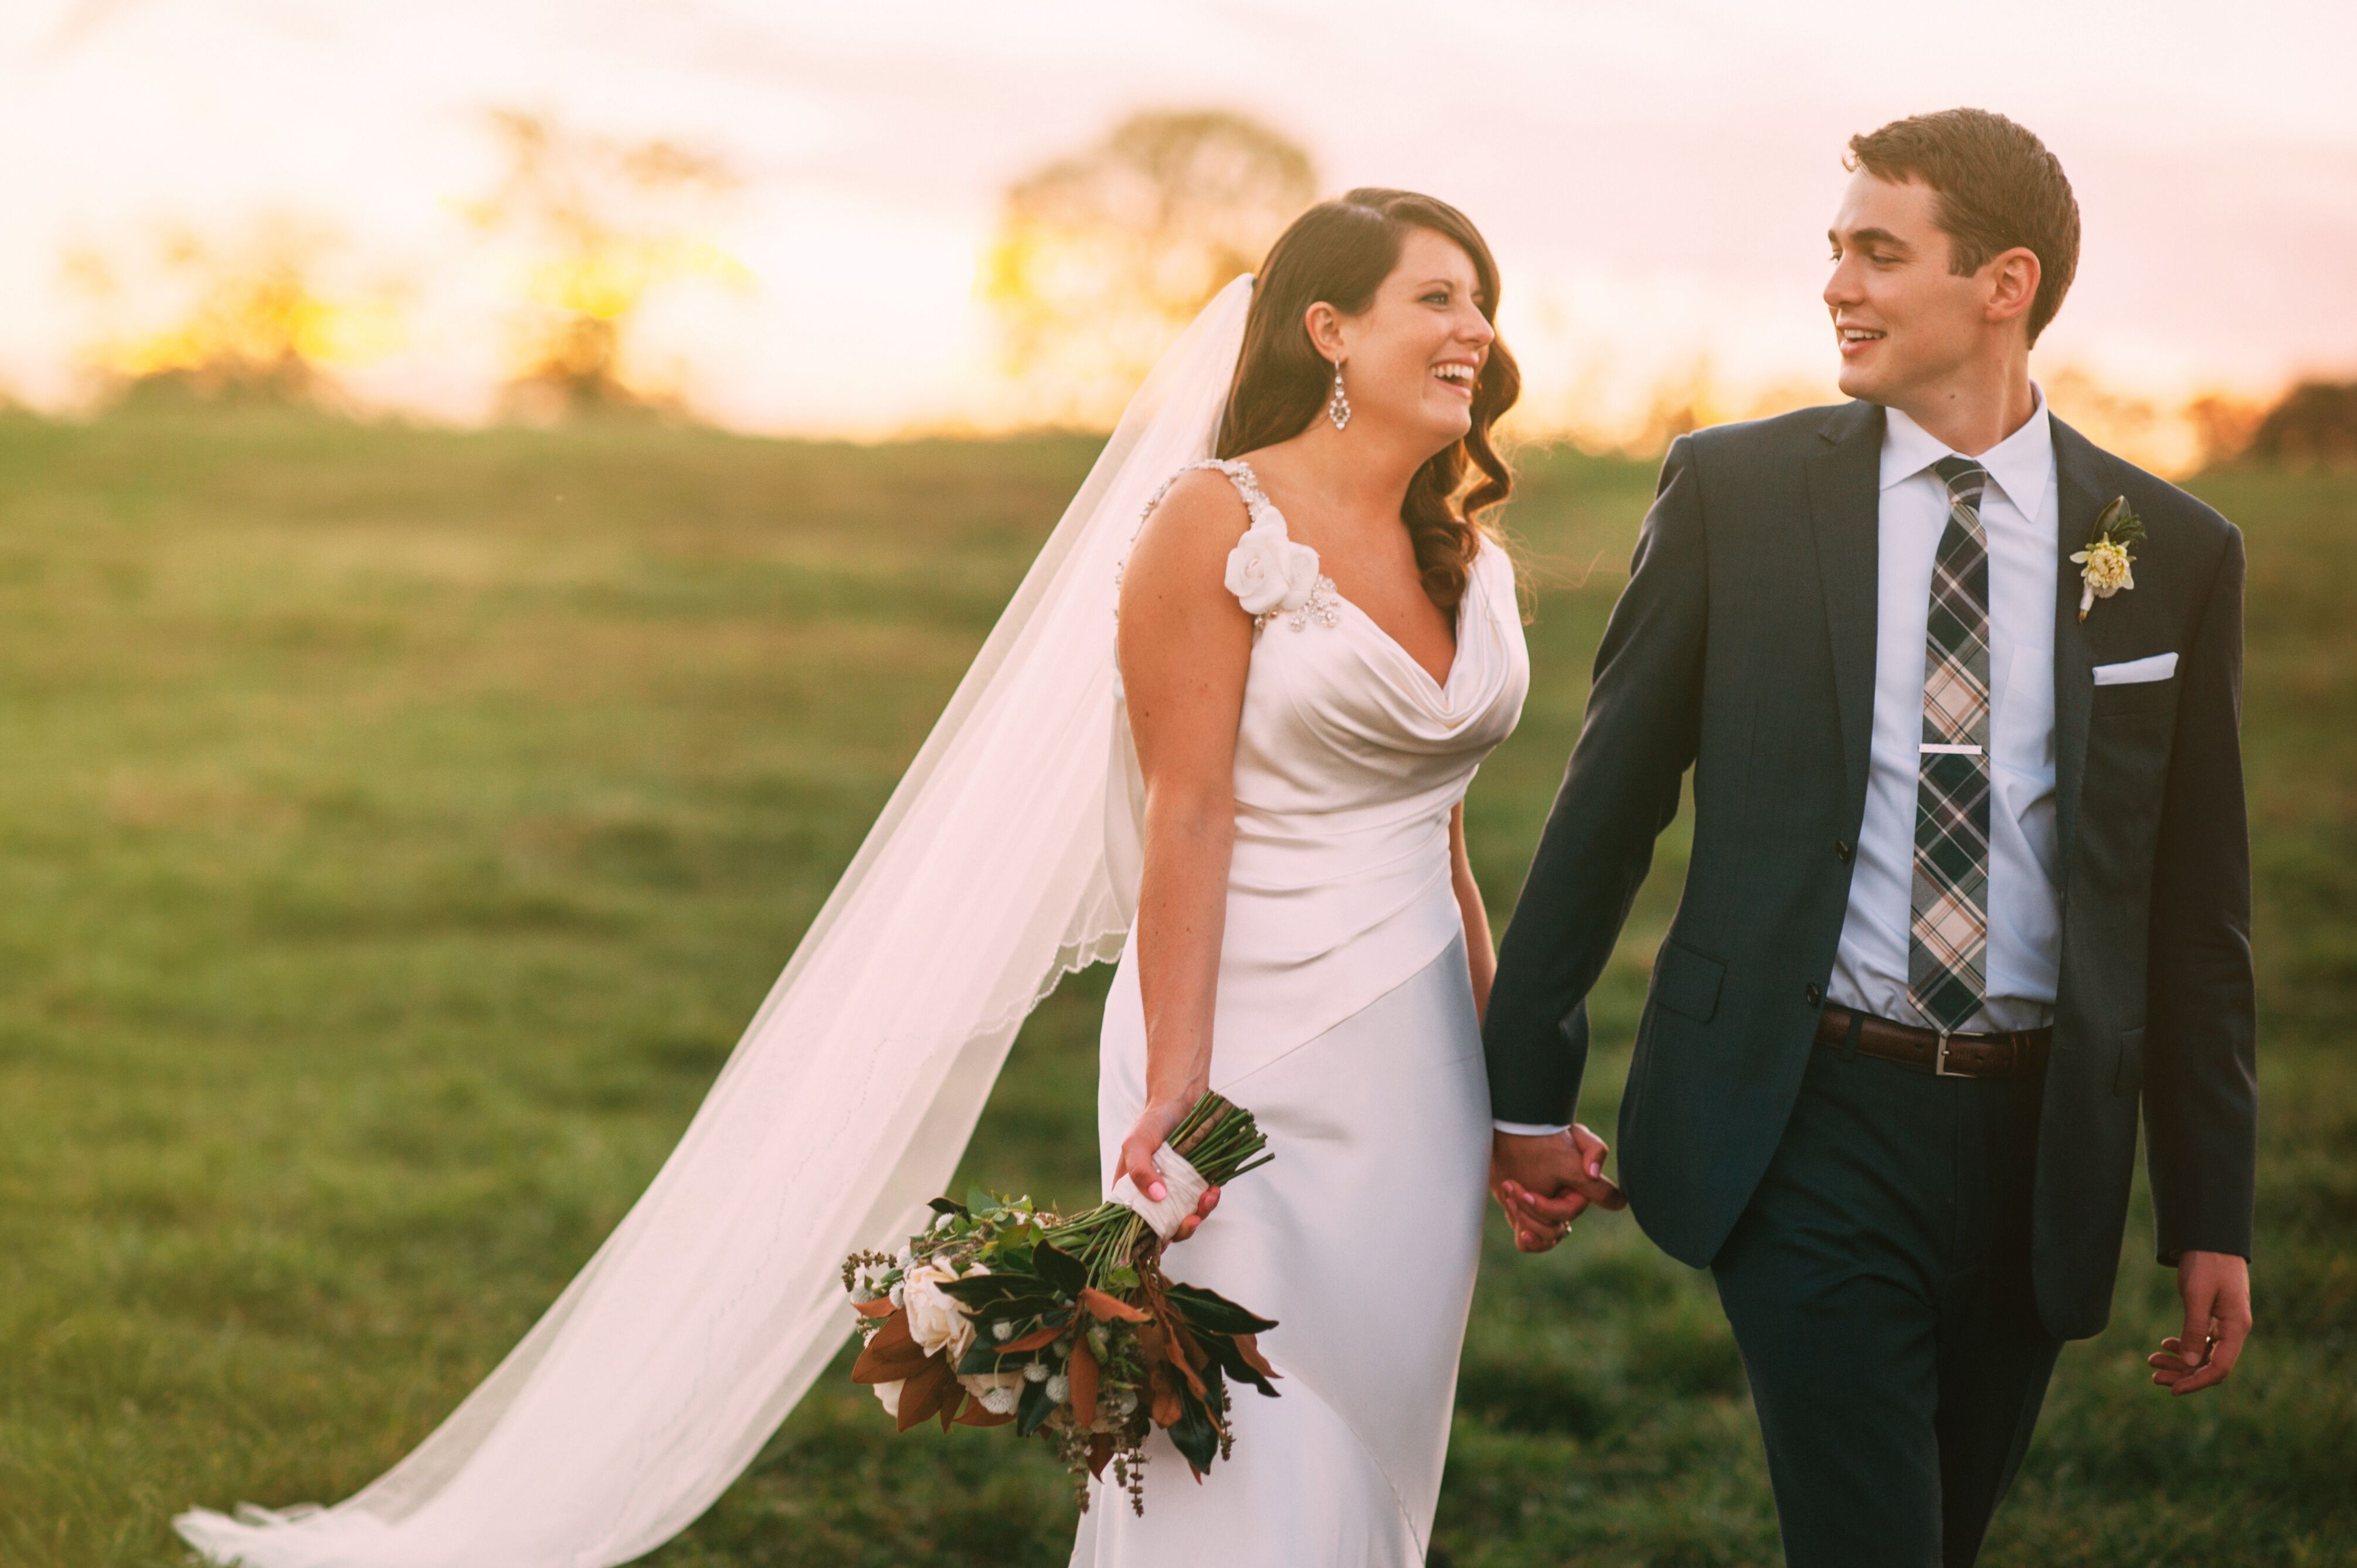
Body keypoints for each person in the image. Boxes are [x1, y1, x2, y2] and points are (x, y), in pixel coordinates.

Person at [1482, 108, 2256, 1566]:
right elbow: (1608, 802)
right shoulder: (1737, 493)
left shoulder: (2173, 551)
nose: (1838, 283)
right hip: (1806, 1117)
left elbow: (2198, 913)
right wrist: (1526, 1086)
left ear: (2003, 282)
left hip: (2044, 1152)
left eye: (1879, 252)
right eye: (1835, 249)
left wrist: (2213, 1214)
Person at [1072, 187, 1573, 1564]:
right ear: (1330, 330)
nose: (1474, 328)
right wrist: (1179, 1080)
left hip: (1413, 1069)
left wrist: (1510, 1096)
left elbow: (1446, 835)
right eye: (1438, 297)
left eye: (1483, 302)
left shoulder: (1467, 555)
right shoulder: (1214, 518)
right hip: (1236, 1054)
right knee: (1233, 1454)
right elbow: (1187, 812)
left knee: (1374, 1450)